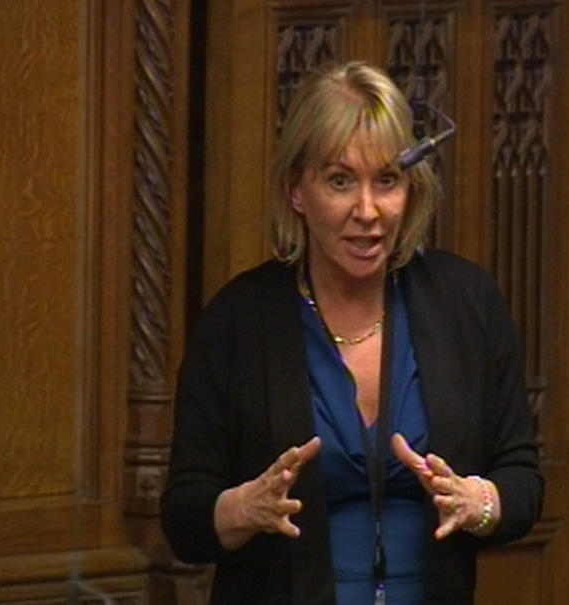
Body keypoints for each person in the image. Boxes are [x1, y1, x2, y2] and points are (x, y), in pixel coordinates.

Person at [160, 61, 544, 604]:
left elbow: (523, 481)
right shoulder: (238, 319)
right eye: (340, 181)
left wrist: (479, 502)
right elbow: (184, 518)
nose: (368, 211)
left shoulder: (466, 302)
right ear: (297, 189)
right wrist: (244, 509)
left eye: (387, 180)